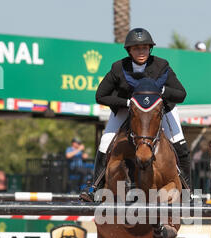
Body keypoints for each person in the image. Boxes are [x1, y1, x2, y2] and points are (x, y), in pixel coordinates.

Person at [80, 28, 190, 202]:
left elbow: (181, 94)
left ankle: (187, 190)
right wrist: (126, 103)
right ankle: (95, 187)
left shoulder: (161, 66)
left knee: (180, 144)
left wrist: (161, 90)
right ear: (129, 50)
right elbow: (100, 95)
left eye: (145, 48)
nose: (141, 52)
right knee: (105, 142)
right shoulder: (118, 68)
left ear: (150, 49)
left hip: (160, 110)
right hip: (128, 109)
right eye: (137, 48)